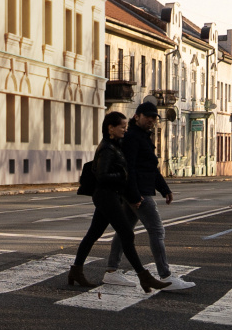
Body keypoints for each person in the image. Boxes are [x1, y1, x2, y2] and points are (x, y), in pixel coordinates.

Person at [70, 111, 167, 291]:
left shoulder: (115, 145)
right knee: (127, 234)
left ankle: (76, 270)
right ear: (110, 128)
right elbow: (102, 175)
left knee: (94, 234)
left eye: (126, 126)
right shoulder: (107, 148)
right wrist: (122, 175)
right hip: (105, 196)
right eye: (122, 127)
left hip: (109, 195)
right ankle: (143, 277)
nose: (125, 130)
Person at [104, 101, 194, 292]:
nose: (152, 121)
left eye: (154, 118)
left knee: (125, 231)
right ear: (137, 116)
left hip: (139, 191)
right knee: (157, 230)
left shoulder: (143, 136)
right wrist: (135, 195)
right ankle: (166, 277)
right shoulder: (132, 138)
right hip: (139, 193)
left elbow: (150, 168)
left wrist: (164, 189)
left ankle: (111, 271)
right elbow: (130, 168)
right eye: (148, 117)